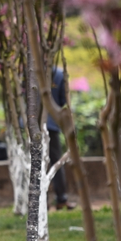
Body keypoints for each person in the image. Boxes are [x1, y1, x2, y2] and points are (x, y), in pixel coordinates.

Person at [49, 67, 75, 210]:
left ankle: (41, 201)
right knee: (56, 162)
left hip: (33, 124)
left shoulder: (29, 71)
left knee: (36, 163)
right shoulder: (58, 74)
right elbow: (64, 101)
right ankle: (61, 199)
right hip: (51, 124)